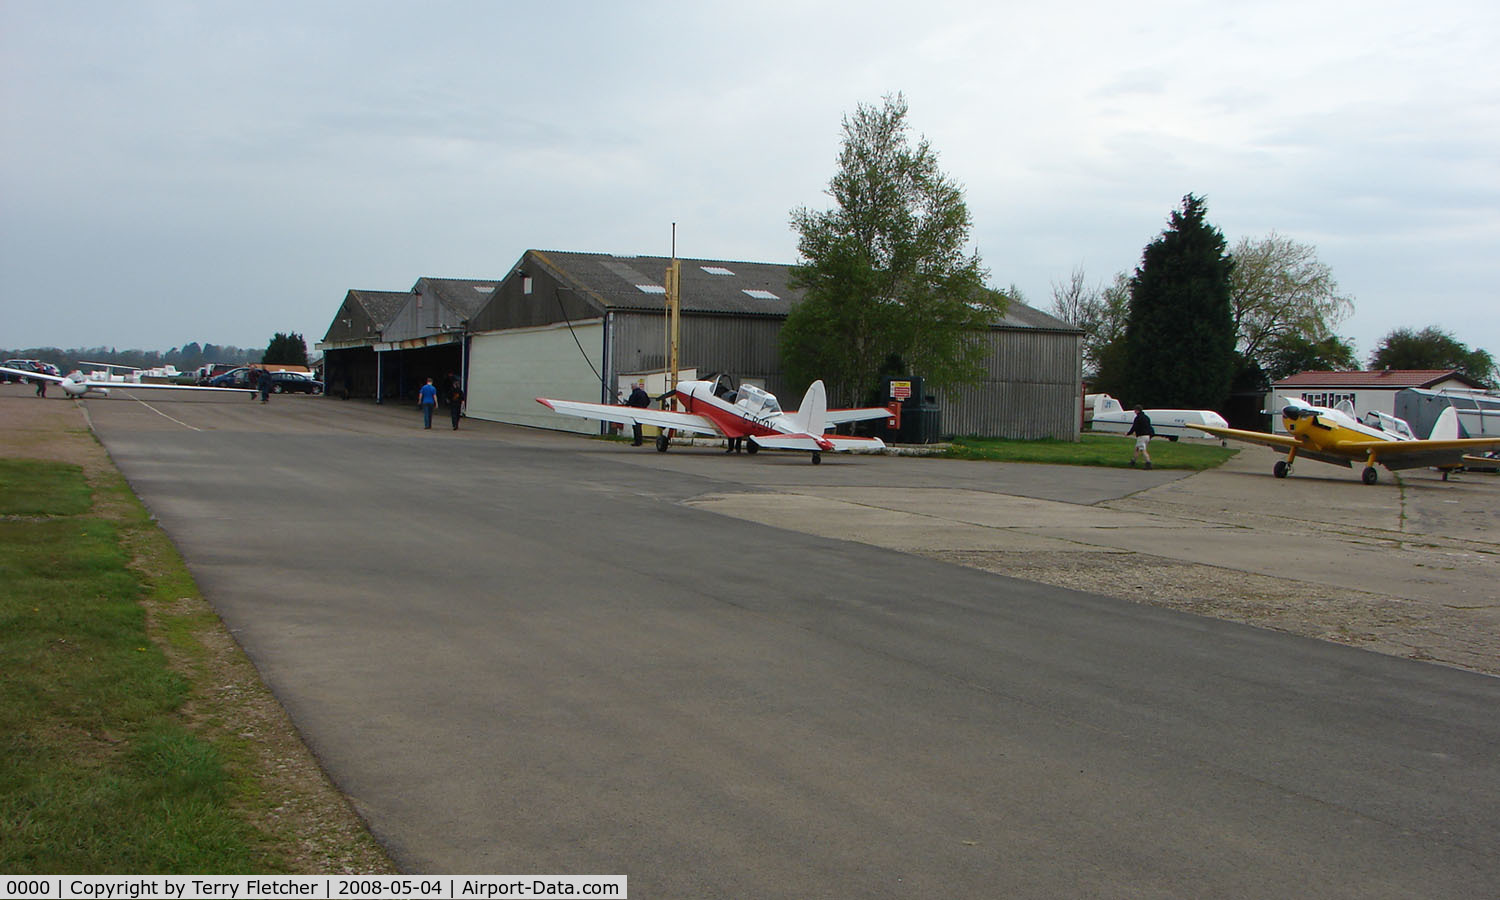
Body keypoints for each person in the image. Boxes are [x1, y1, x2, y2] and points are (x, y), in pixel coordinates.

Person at [625, 381, 650, 446]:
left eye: (631, 387)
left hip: (635, 412)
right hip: (642, 411)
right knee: (639, 426)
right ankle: (640, 441)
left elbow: (630, 403)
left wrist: (625, 405)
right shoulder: (643, 393)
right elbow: (648, 401)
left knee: (636, 427)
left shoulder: (634, 394)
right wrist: (644, 407)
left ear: (633, 387)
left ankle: (637, 442)